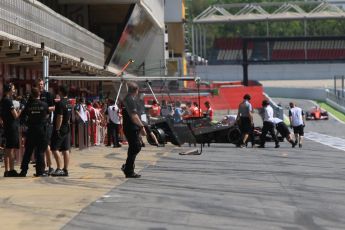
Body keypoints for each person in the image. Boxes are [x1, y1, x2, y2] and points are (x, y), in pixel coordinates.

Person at [19, 87, 49, 177]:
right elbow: (47, 115)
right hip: (41, 130)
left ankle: (23, 171)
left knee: (28, 151)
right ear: (39, 94)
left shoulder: (28, 105)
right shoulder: (44, 104)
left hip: (31, 130)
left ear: (32, 94)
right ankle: (40, 171)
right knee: (40, 151)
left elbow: (23, 116)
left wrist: (27, 123)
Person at [121, 82, 147, 178]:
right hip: (131, 127)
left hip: (129, 127)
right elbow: (134, 116)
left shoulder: (127, 99)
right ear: (136, 91)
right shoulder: (130, 100)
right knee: (136, 146)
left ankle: (128, 167)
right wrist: (141, 127)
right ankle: (128, 169)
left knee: (134, 147)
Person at [0, 83, 22, 177]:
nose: (14, 90)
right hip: (12, 127)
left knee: (7, 149)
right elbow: (15, 116)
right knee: (11, 149)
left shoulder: (2, 101)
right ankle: (12, 170)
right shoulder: (9, 101)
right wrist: (21, 109)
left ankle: (6, 170)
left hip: (6, 126)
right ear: (9, 90)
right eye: (13, 89)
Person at [50, 85, 72, 176]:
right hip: (67, 127)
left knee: (54, 148)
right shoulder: (69, 103)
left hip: (61, 128)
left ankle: (59, 168)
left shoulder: (60, 103)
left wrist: (57, 129)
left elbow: (60, 116)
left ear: (61, 92)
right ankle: (65, 169)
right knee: (65, 148)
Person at [37, 78, 55, 175]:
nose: (40, 86)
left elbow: (53, 107)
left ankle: (51, 166)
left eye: (41, 84)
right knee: (40, 146)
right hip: (36, 124)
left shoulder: (47, 95)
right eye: (39, 84)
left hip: (46, 123)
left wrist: (45, 109)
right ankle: (42, 167)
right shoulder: (33, 95)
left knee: (46, 145)